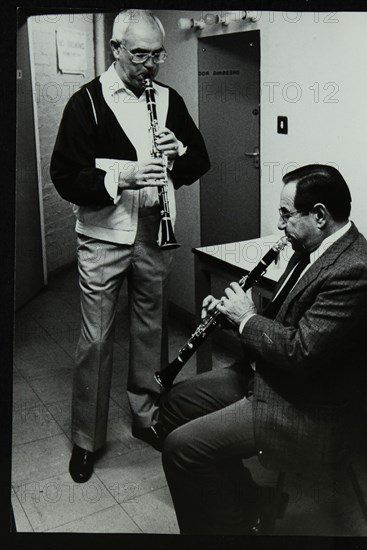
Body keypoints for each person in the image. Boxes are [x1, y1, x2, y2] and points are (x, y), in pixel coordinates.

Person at [153, 164, 367, 534]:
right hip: (271, 377)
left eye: (285, 214)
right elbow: (282, 321)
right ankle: (251, 503)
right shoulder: (309, 247)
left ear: (320, 216)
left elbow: (301, 351)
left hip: (307, 408)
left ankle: (232, 526)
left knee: (182, 449)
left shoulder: (352, 273)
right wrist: (232, 316)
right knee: (170, 409)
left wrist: (247, 319)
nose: (279, 225)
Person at [50, 9, 210, 483]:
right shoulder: (87, 103)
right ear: (116, 49)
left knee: (150, 330)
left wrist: (177, 153)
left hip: (154, 234)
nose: (151, 65)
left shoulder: (168, 98)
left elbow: (200, 159)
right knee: (97, 339)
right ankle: (86, 440)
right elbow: (64, 177)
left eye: (157, 54)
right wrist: (121, 176)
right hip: (103, 235)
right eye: (140, 54)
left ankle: (145, 417)